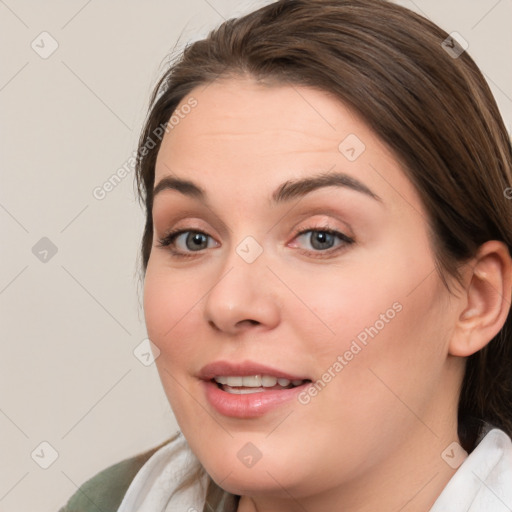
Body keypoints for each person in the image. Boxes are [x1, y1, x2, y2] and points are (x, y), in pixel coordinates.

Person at [58, 0, 512, 510]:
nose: (228, 303)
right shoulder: (107, 500)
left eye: (322, 237)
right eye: (193, 238)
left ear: (476, 299)